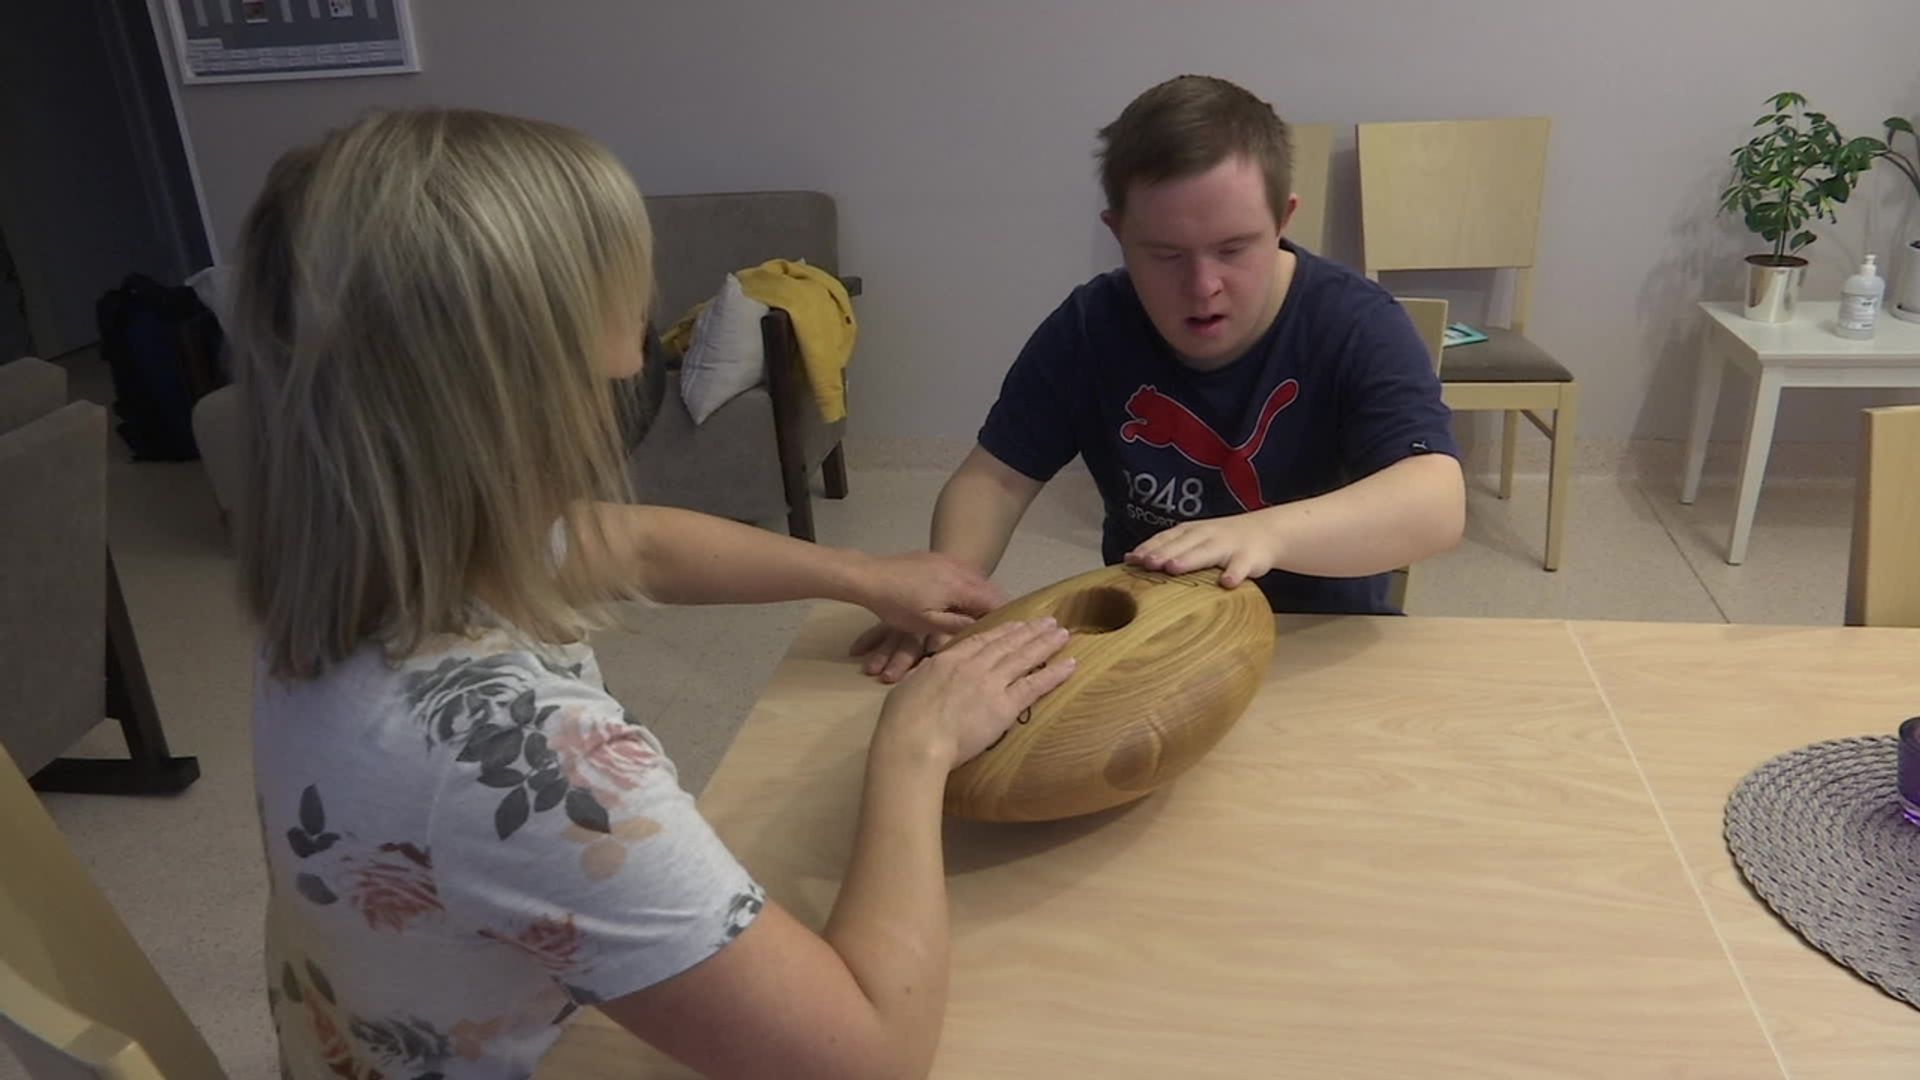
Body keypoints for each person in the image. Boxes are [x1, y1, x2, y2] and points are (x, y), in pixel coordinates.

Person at [233, 108, 1074, 1080]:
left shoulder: (358, 581)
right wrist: (915, 747)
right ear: (518, 395)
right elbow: (869, 1058)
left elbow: (624, 540)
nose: (638, 366)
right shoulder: (521, 756)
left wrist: (859, 574)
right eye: (619, 348)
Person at [857, 75, 1466, 682]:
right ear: (1118, 233)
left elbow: (1436, 500)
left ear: (1284, 218)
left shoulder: (1355, 323)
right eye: (1166, 255)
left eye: (1234, 249)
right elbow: (995, 480)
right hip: (1153, 640)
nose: (1203, 287)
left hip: (1313, 640)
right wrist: (948, 588)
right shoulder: (1090, 326)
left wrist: (1267, 534)